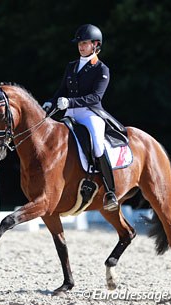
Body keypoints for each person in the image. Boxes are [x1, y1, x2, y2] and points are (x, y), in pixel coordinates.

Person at [43, 24, 119, 211]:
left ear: (95, 45)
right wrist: (51, 103)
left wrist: (70, 103)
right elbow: (62, 90)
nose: (81, 47)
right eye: (79, 43)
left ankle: (110, 192)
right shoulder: (72, 66)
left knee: (98, 146)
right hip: (70, 113)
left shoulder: (101, 69)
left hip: (90, 113)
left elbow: (95, 97)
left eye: (85, 43)